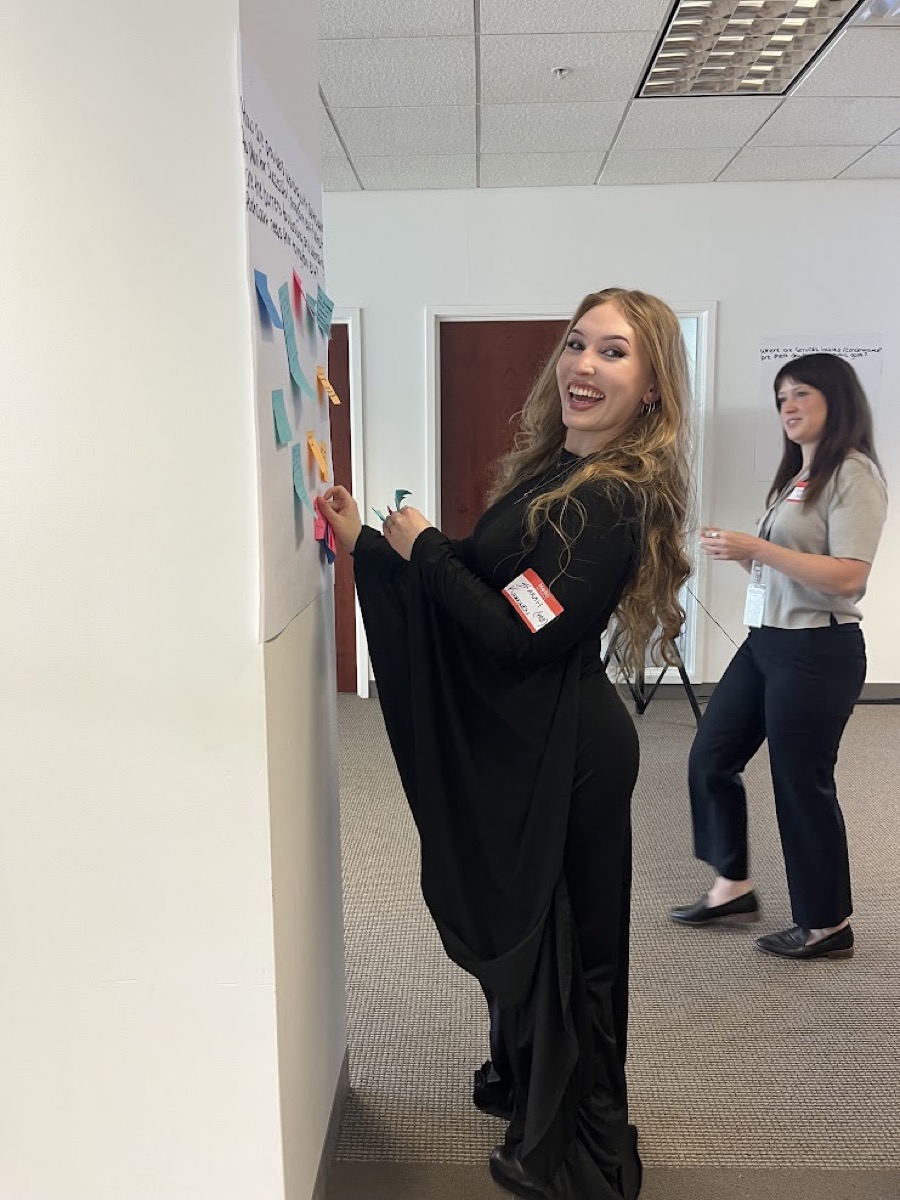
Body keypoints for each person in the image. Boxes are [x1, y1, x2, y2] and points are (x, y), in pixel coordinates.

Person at [320, 288, 693, 1199]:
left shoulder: (609, 499)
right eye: (576, 346)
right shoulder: (555, 471)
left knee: (576, 947)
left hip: (573, 753)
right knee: (538, 936)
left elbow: (520, 634)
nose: (584, 366)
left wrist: (421, 554)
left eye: (614, 353)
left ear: (651, 389)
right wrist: (373, 543)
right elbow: (497, 590)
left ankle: (584, 1144)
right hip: (539, 733)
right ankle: (538, 1093)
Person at [670, 353, 887, 961]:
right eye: (780, 398)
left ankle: (827, 924)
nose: (787, 408)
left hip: (818, 649)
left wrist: (758, 546)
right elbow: (789, 567)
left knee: (800, 784)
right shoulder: (799, 475)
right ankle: (731, 884)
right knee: (710, 757)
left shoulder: (853, 474)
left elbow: (847, 577)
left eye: (800, 395)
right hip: (766, 643)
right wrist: (746, 555)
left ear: (835, 400)